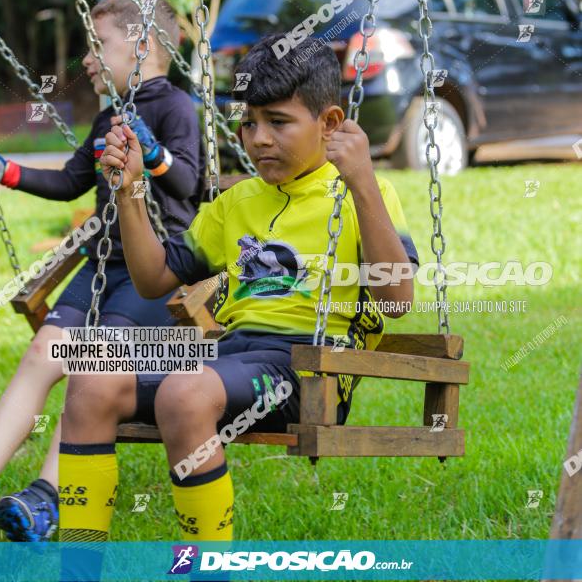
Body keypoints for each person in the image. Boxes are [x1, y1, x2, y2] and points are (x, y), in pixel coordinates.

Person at [57, 33, 418, 543]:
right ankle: (77, 569)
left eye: (278, 122)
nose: (259, 139)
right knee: (91, 383)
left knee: (186, 392)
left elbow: (397, 301)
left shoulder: (366, 194)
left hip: (309, 369)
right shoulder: (237, 201)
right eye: (249, 123)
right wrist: (132, 193)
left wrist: (360, 180)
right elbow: (153, 278)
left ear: (331, 124)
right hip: (229, 358)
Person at [0, 0, 205, 543]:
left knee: (93, 360)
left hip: (154, 273)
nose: (86, 58)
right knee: (43, 352)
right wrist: (4, 171)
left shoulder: (176, 107)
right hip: (101, 269)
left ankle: (45, 497)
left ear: (140, 45)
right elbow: (70, 181)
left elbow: (191, 185)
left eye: (98, 45)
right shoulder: (110, 114)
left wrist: (153, 155)